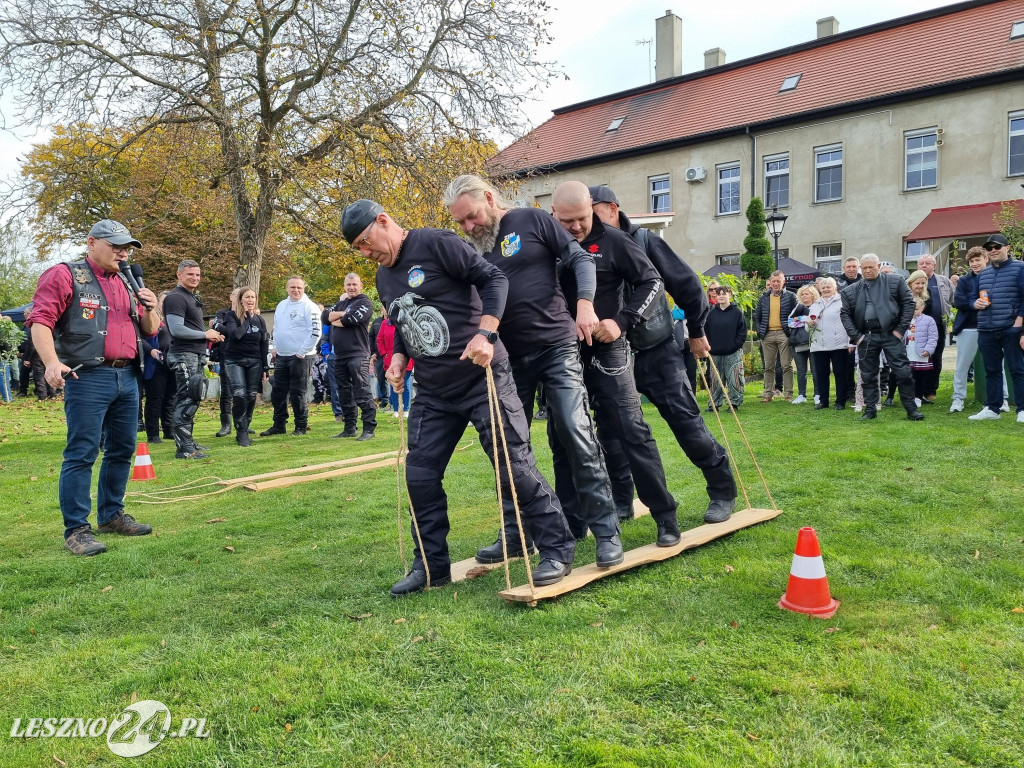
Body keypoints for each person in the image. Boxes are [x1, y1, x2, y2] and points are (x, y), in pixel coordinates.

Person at [342, 198, 576, 595]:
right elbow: (400, 320)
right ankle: (430, 567)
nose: (366, 253)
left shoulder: (436, 243)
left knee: (512, 464)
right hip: (433, 390)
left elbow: (494, 280)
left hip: (481, 376)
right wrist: (397, 358)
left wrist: (486, 334)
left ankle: (556, 548)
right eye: (358, 250)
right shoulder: (384, 277)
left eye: (366, 241)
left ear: (384, 221)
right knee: (420, 475)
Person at [444, 174, 623, 568]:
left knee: (576, 431)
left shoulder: (533, 220)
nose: (469, 227)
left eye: (472, 217)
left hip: (556, 346)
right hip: (506, 359)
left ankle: (606, 530)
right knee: (509, 450)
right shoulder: (466, 247)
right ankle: (516, 534)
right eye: (461, 223)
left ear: (489, 199)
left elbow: (580, 258)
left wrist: (586, 303)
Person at [588, 184, 738, 524]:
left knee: (687, 423)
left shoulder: (644, 241)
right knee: (611, 433)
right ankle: (622, 502)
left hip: (656, 351)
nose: (584, 221)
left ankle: (722, 491)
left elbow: (687, 285)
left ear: (611, 209)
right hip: (611, 358)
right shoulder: (584, 246)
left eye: (591, 211)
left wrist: (697, 332)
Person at [550, 181, 682, 546]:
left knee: (631, 430)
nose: (576, 227)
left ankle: (665, 516)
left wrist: (621, 321)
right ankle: (573, 523)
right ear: (553, 215)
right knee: (563, 438)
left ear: (592, 206)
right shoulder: (547, 243)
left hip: (608, 349)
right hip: (562, 352)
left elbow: (652, 282)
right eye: (567, 221)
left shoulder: (614, 240)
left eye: (581, 218)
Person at [26, 219, 159, 555]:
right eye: (116, 245)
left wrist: (150, 307)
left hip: (126, 376)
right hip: (86, 378)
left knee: (122, 450)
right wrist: (52, 362)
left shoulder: (129, 282)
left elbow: (151, 330)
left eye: (126, 247)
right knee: (82, 453)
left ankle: (112, 515)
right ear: (91, 243)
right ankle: (77, 530)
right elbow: (40, 321)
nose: (123, 252)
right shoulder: (64, 274)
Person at [839, 254, 923, 421]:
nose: (868, 270)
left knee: (903, 372)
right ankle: (870, 410)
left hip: (891, 334)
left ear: (878, 265)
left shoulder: (895, 281)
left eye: (871, 267)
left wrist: (900, 330)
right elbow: (845, 314)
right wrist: (857, 337)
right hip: (866, 336)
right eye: (865, 268)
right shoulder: (850, 291)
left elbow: (909, 303)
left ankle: (911, 410)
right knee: (868, 375)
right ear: (861, 269)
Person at [164, 259, 224, 459]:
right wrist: (205, 334)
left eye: (197, 275)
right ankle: (184, 449)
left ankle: (188, 441)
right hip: (183, 354)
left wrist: (211, 335)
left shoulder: (191, 297)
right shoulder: (175, 298)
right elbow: (177, 329)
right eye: (190, 274)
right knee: (187, 398)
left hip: (194, 354)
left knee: (193, 396)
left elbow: (193, 329)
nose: (195, 278)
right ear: (179, 274)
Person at [968, 234, 1024, 422]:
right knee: (991, 370)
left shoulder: (1020, 268)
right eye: (989, 248)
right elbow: (972, 298)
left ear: (1007, 248)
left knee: (1017, 369)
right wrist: (975, 303)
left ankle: (1022, 410)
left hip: (1011, 328)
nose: (993, 250)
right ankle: (993, 409)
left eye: (997, 246)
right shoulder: (983, 273)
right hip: (986, 328)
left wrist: (1019, 325)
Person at [261, 277, 321, 436]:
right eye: (293, 287)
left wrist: (302, 351)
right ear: (287, 288)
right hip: (282, 356)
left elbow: (315, 332)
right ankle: (279, 425)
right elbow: (276, 328)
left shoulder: (310, 307)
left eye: (299, 287)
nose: (296, 290)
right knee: (278, 392)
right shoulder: (281, 305)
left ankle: (301, 426)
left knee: (298, 392)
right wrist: (275, 347)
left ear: (304, 288)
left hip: (302, 356)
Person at [950, 246, 1008, 413]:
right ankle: (958, 399)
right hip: (968, 327)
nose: (975, 264)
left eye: (978, 260)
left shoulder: (996, 277)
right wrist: (973, 304)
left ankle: (1002, 399)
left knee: (997, 365)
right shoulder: (964, 281)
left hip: (992, 327)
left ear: (986, 259)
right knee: (962, 366)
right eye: (972, 261)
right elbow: (958, 301)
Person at [323, 273, 377, 440]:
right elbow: (325, 317)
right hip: (339, 355)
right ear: (344, 286)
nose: (351, 287)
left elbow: (350, 320)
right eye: (348, 284)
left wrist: (338, 317)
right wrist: (341, 314)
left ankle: (369, 428)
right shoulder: (341, 303)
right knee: (343, 392)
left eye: (354, 284)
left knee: (362, 390)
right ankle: (349, 427)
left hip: (358, 354)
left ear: (360, 285)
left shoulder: (365, 302)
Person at [217, 287, 269, 446]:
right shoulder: (231, 316)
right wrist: (246, 317)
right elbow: (236, 335)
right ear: (240, 300)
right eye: (247, 297)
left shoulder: (260, 320)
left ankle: (245, 428)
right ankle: (240, 432)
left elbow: (264, 343)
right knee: (239, 393)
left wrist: (265, 368)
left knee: (251, 395)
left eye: (253, 297)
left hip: (254, 361)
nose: (251, 300)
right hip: (234, 360)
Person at [753, 271, 797, 402]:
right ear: (770, 282)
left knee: (786, 365)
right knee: (768, 366)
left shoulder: (791, 297)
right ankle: (768, 394)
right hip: (768, 335)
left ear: (783, 282)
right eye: (774, 281)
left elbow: (797, 315)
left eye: (779, 281)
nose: (776, 283)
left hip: (784, 333)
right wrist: (761, 331)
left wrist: (790, 330)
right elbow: (758, 316)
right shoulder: (763, 298)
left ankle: (788, 394)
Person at [807, 277, 850, 411]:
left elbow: (848, 323)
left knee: (840, 373)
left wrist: (850, 342)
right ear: (819, 289)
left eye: (828, 287)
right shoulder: (815, 305)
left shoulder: (842, 303)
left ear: (835, 288)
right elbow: (807, 328)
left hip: (838, 344)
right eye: (823, 287)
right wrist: (809, 324)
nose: (825, 289)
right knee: (821, 374)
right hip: (819, 345)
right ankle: (823, 401)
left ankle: (840, 401)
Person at [916, 253, 953, 403]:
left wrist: (949, 321)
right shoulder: (912, 281)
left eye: (927, 263)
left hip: (938, 326)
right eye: (921, 263)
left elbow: (951, 300)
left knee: (935, 359)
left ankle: (931, 390)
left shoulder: (943, 281)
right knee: (918, 358)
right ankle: (917, 391)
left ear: (934, 266)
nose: (924, 266)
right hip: (917, 327)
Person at [140, 291, 175, 443]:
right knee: (155, 399)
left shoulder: (175, 319)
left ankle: (169, 430)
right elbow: (139, 338)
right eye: (163, 302)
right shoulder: (150, 318)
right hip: (155, 363)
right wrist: (151, 350)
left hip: (172, 363)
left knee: (170, 399)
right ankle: (153, 434)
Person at [704, 285, 746, 411]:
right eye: (719, 294)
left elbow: (742, 333)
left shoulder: (737, 313)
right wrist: (710, 347)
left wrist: (734, 346)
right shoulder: (711, 314)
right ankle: (714, 404)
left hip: (732, 353)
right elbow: (706, 332)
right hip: (715, 353)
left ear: (730, 295)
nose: (721, 296)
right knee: (715, 380)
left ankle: (734, 403)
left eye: (724, 293)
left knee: (734, 378)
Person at [211, 288, 240, 437]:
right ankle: (226, 425)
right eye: (237, 295)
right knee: (226, 390)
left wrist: (228, 330)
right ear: (231, 297)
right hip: (226, 355)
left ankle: (242, 424)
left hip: (244, 355)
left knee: (244, 391)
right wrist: (235, 331)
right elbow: (216, 326)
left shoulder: (248, 314)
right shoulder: (222, 313)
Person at [376, 309, 413, 416]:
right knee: (393, 384)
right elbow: (379, 339)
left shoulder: (406, 322)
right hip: (390, 359)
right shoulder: (384, 324)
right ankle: (396, 409)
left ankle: (406, 409)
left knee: (405, 383)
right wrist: (384, 353)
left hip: (406, 359)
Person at [788, 284, 820, 404]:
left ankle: (818, 394)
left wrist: (799, 320)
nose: (804, 296)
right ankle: (802, 394)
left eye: (806, 293)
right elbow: (790, 322)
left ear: (813, 294)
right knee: (801, 371)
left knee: (815, 370)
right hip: (799, 343)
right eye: (802, 294)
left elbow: (817, 322)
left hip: (814, 342)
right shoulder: (798, 307)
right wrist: (805, 319)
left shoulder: (818, 306)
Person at [905, 297, 938, 405]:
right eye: (911, 309)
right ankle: (909, 397)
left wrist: (928, 350)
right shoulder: (904, 319)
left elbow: (933, 337)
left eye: (916, 309)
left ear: (922, 308)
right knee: (909, 376)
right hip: (908, 352)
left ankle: (918, 397)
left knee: (920, 377)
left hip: (921, 353)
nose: (914, 311)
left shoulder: (928, 320)